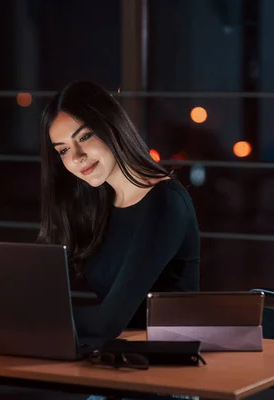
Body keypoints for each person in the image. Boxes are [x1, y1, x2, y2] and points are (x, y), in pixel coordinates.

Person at [38, 81, 200, 341]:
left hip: (166, 364)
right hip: (117, 355)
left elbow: (108, 323)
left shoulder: (164, 203)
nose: (77, 156)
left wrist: (28, 317)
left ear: (111, 126)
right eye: (64, 150)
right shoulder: (97, 202)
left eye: (85, 136)